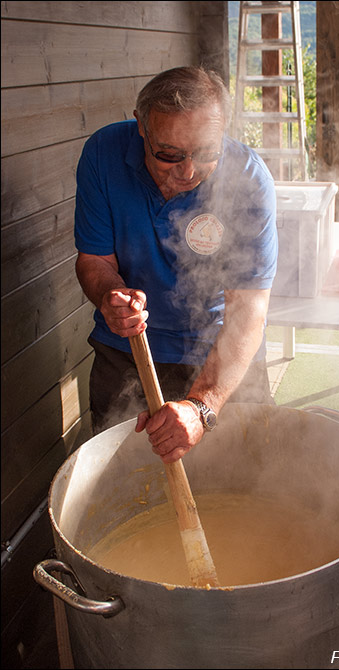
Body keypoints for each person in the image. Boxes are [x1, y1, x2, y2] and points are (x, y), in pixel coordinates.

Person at [74, 66, 278, 464]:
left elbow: (249, 307)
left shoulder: (249, 178)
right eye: (168, 154)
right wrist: (110, 295)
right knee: (124, 481)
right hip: (126, 349)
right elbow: (95, 260)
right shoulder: (103, 155)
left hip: (220, 348)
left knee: (245, 479)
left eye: (205, 154)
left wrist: (203, 406)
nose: (187, 172)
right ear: (142, 128)